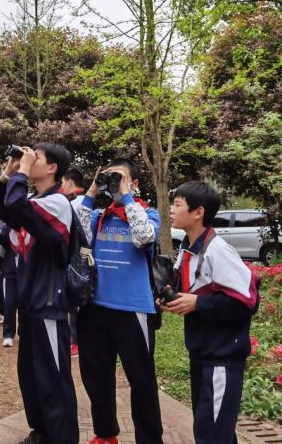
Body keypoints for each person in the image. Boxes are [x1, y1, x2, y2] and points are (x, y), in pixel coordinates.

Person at [0, 143, 80, 444]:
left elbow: (15, 205)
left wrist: (22, 171)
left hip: (49, 303)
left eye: (35, 157)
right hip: (30, 302)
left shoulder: (58, 203)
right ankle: (41, 433)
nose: (28, 159)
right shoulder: (34, 203)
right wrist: (8, 172)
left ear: (52, 168)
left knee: (53, 379)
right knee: (31, 377)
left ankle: (62, 438)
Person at [75, 159, 163, 444]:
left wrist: (126, 196)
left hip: (132, 309)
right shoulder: (99, 215)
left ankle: (150, 440)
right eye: (108, 177)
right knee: (96, 376)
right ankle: (105, 434)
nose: (112, 182)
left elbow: (144, 238)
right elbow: (77, 234)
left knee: (141, 380)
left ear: (134, 183)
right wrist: (92, 191)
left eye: (120, 177)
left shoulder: (147, 213)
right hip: (95, 308)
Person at [163, 181, 259, 444]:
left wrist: (198, 304)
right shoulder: (188, 247)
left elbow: (247, 302)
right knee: (213, 430)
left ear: (198, 212)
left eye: (177, 204)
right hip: (202, 353)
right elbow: (190, 290)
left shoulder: (218, 250)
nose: (171, 209)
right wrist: (172, 298)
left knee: (212, 434)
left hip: (221, 358)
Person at [60, 165, 86, 357]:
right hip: (77, 258)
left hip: (75, 260)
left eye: (61, 182)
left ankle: (76, 341)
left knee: (74, 305)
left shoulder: (76, 202)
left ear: (69, 182)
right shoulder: (81, 200)